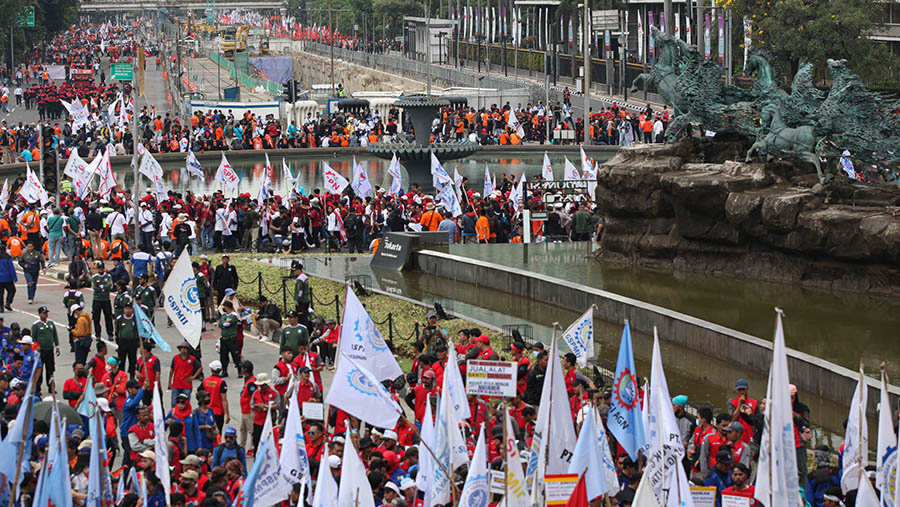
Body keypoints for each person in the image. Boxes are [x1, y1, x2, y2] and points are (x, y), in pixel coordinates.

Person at [31, 305, 59, 392]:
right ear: (40, 314)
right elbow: (33, 338)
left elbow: (55, 335)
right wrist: (35, 349)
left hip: (49, 349)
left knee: (50, 369)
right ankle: (38, 388)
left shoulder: (51, 323)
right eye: (44, 313)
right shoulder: (36, 325)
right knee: (39, 369)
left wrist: (57, 346)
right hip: (40, 351)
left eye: (46, 313)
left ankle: (51, 387)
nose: (46, 314)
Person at [201, 360, 230, 432]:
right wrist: (227, 414)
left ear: (211, 370)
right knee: (217, 433)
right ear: (220, 370)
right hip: (218, 412)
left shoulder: (205, 381)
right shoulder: (221, 383)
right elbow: (224, 399)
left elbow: (198, 393)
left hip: (206, 410)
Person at [91, 261, 114, 341]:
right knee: (96, 318)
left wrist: (101, 287)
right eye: (99, 268)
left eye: (102, 268)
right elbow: (94, 288)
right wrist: (103, 287)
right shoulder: (94, 277)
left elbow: (110, 286)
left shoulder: (108, 276)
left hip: (106, 300)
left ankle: (110, 334)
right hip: (97, 300)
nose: (101, 270)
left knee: (108, 317)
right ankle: (98, 334)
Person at [217, 301, 241, 377]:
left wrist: (223, 324)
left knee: (235, 356)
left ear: (228, 307)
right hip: (224, 339)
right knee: (223, 356)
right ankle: (224, 371)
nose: (223, 308)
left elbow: (227, 324)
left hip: (232, 339)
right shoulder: (223, 315)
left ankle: (239, 371)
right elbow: (220, 324)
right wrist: (222, 324)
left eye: (224, 307)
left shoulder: (233, 316)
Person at [115, 303, 140, 377]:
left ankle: (132, 376)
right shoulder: (120, 318)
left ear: (132, 309)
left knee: (132, 360)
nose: (128, 310)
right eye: (126, 308)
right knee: (121, 361)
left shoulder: (135, 319)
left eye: (129, 308)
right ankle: (121, 377)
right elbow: (117, 330)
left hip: (132, 342)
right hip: (122, 342)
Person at [0, 244, 17, 310]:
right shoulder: (8, 257)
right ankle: (8, 302)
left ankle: (1, 307)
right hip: (7, 278)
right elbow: (11, 268)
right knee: (12, 290)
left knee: (0, 293)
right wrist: (14, 277)